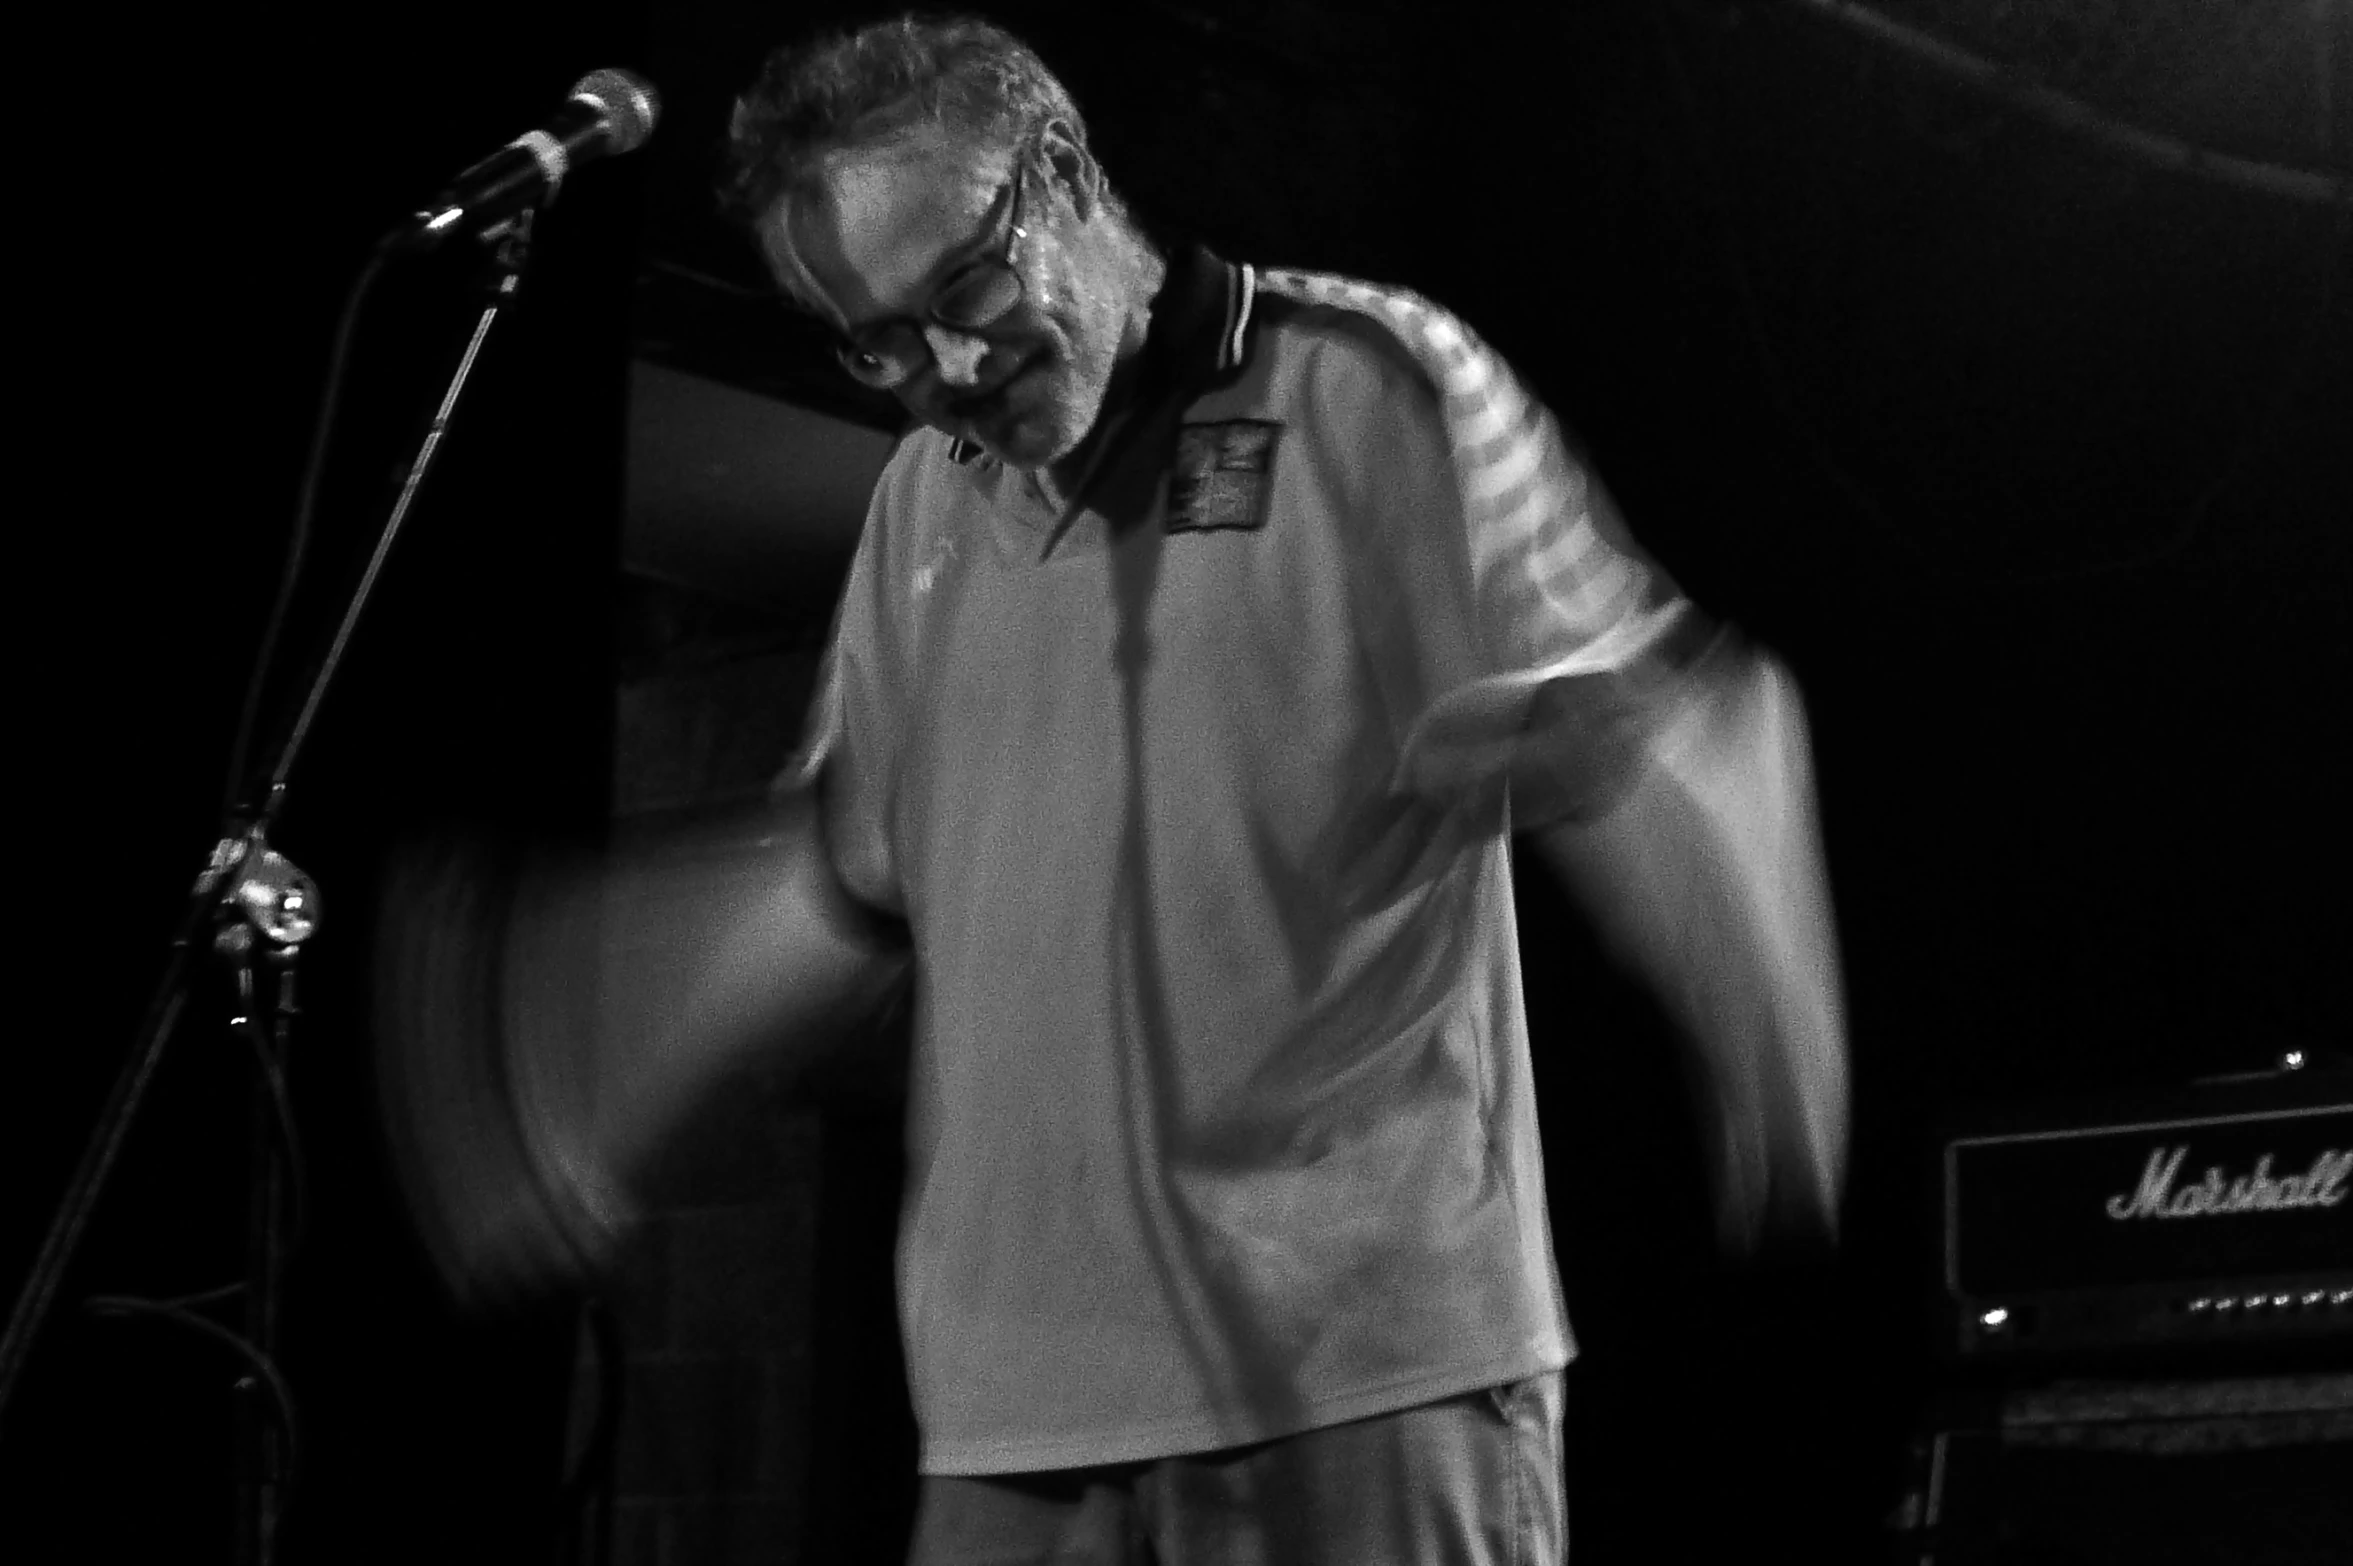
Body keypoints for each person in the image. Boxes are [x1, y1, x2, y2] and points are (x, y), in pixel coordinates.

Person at [382, 15, 1846, 1565]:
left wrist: (1765, 1004)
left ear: (1064, 173)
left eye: (966, 288)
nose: (944, 368)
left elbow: (1664, 715)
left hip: (1359, 1386)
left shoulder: (1367, 383)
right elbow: (850, 873)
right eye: (874, 340)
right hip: (1011, 1424)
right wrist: (609, 1030)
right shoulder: (913, 512)